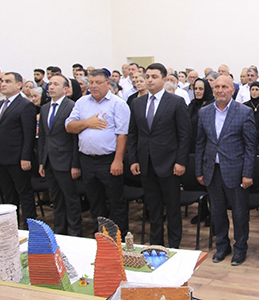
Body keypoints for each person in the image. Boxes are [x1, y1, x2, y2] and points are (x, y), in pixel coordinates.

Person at [195, 75, 257, 266]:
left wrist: (247, 173)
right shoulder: (204, 112)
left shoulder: (244, 112)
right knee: (217, 212)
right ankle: (222, 246)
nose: (220, 90)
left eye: (225, 87)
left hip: (236, 172)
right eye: (217, 87)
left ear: (233, 90)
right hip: (212, 172)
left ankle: (240, 249)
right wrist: (199, 170)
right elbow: (200, 143)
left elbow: (251, 147)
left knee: (239, 214)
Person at [128, 63, 190, 248]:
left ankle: (174, 245)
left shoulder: (175, 102)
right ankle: (155, 244)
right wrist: (133, 159)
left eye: (154, 77)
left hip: (169, 164)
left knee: (172, 208)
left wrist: (181, 161)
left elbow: (184, 135)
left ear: (164, 79)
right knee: (153, 207)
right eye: (147, 76)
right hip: (146, 163)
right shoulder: (137, 103)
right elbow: (133, 134)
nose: (150, 80)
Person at [66, 69, 130, 234]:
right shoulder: (81, 102)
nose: (94, 86)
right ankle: (101, 236)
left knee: (116, 201)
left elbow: (122, 135)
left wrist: (118, 161)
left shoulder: (118, 104)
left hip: (109, 159)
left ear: (107, 84)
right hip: (87, 160)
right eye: (91, 82)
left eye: (98, 82)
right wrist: (87, 123)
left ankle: (119, 238)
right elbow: (69, 126)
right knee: (95, 201)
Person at [0, 72, 38, 228]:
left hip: (17, 158)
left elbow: (28, 135)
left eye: (8, 81)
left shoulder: (25, 105)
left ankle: (29, 227)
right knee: (8, 195)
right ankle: (11, 226)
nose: (3, 84)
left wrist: (25, 157)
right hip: (0, 157)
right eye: (2, 81)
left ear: (19, 85)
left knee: (24, 193)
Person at [38, 75, 82, 236]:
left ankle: (75, 231)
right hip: (49, 160)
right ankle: (59, 230)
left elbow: (75, 138)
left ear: (65, 89)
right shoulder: (44, 108)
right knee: (55, 199)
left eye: (56, 84)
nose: (51, 87)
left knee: (71, 199)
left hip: (66, 161)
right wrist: (42, 161)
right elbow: (43, 137)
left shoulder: (72, 106)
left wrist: (75, 164)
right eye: (50, 84)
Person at [187, 78, 214, 153]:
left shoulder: (212, 106)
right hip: (191, 146)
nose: (197, 91)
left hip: (206, 146)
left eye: (201, 89)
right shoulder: (192, 105)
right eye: (195, 89)